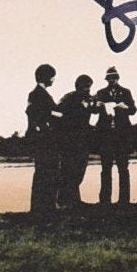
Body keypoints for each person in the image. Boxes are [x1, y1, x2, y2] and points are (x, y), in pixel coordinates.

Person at [91, 66, 137, 206]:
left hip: (122, 136)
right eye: (109, 79)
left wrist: (126, 107)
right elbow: (93, 110)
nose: (111, 81)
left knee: (123, 168)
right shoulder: (100, 93)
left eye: (114, 78)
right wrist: (97, 105)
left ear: (118, 78)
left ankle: (124, 200)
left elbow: (133, 110)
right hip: (105, 137)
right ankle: (105, 200)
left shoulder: (126, 92)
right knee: (106, 168)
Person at [54, 74, 96, 208]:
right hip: (69, 140)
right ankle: (63, 200)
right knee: (68, 170)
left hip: (83, 140)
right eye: (86, 87)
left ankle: (74, 200)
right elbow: (57, 114)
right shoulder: (68, 98)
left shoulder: (89, 99)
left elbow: (94, 109)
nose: (88, 89)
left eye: (89, 87)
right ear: (79, 86)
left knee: (79, 170)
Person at [25, 63, 60, 215]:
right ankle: (46, 207)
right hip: (44, 138)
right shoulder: (39, 94)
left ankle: (42, 206)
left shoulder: (36, 94)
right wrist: (58, 115)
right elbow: (41, 113)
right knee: (47, 171)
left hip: (41, 137)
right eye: (52, 77)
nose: (53, 80)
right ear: (47, 77)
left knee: (42, 171)